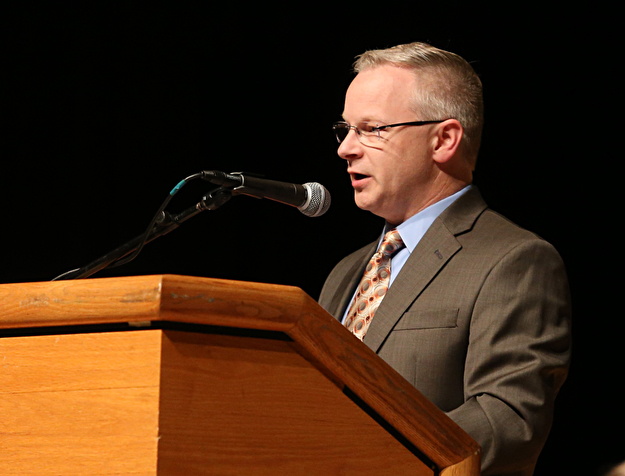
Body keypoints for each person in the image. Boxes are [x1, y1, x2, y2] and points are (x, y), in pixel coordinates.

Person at [319, 42, 572, 476]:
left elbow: (508, 419)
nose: (346, 148)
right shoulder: (346, 271)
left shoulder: (513, 260)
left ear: (445, 139)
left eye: (372, 129)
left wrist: (364, 460)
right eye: (345, 129)